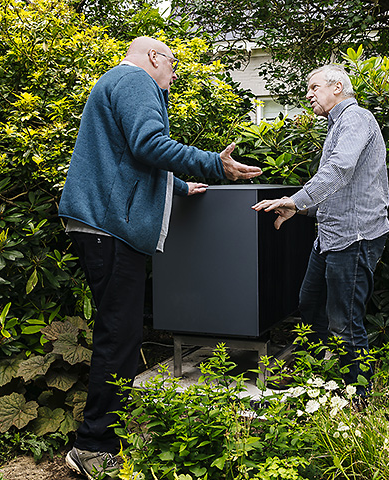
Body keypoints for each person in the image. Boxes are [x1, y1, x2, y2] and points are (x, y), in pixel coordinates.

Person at [58, 36, 261, 479]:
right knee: (119, 336)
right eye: (172, 67)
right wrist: (213, 165)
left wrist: (182, 187)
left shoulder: (114, 83)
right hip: (110, 229)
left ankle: (98, 440)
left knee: (120, 332)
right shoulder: (135, 81)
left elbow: (125, 162)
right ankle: (94, 447)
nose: (171, 79)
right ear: (154, 57)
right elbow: (149, 144)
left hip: (101, 226)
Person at [252, 64, 389, 396]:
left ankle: (357, 397)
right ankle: (312, 376)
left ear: (338, 88)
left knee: (345, 321)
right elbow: (341, 189)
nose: (308, 94)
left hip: (355, 237)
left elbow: (340, 170)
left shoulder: (356, 119)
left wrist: (295, 200)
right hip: (330, 235)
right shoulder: (337, 126)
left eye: (314, 87)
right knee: (310, 305)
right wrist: (298, 208)